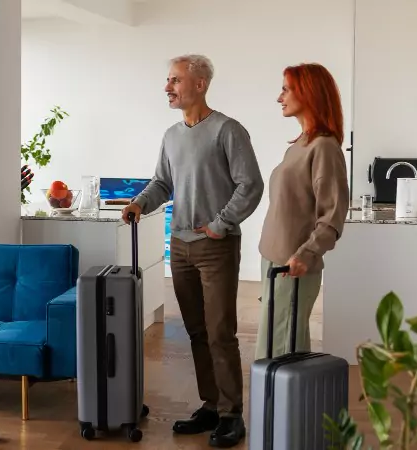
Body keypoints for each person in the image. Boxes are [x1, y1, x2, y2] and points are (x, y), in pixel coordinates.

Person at [122, 54, 263, 448]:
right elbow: (162, 183)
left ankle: (233, 414)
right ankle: (211, 405)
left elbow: (250, 184)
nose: (168, 87)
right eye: (167, 80)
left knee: (220, 332)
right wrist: (138, 203)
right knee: (197, 331)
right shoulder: (171, 135)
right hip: (180, 246)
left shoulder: (227, 130)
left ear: (200, 84)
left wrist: (219, 225)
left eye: (175, 80)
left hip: (215, 247)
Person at [256, 63, 349, 360]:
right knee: (280, 346)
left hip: (292, 266)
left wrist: (305, 255)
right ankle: (280, 406)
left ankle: (276, 407)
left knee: (280, 350)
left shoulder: (324, 147)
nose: (279, 97)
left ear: (307, 93)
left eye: (286, 89)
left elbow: (332, 216)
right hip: (275, 262)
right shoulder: (300, 144)